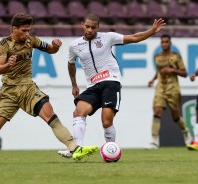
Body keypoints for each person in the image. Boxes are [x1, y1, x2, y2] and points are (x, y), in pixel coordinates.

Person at [0, 13, 98, 164]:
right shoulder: (4, 44)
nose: (27, 34)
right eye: (24, 30)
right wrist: (8, 65)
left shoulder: (31, 40)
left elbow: (50, 49)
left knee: (51, 115)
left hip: (28, 88)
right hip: (9, 92)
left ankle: (73, 147)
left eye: (28, 30)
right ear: (14, 28)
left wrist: (56, 46)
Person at [58, 13, 166, 158]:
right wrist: (74, 85)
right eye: (87, 26)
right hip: (92, 86)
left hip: (110, 82)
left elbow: (133, 38)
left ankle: (111, 152)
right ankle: (75, 150)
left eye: (93, 27)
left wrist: (151, 31)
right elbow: (71, 64)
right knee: (78, 112)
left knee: (106, 121)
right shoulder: (74, 46)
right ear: (82, 25)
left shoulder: (107, 37)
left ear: (98, 28)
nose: (90, 30)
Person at [147, 34, 192, 149]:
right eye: (163, 42)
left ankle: (185, 131)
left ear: (170, 43)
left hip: (173, 88)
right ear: (160, 43)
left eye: (167, 42)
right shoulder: (157, 57)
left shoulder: (176, 57)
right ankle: (154, 140)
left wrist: (172, 70)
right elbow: (159, 71)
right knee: (157, 111)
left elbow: (185, 73)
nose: (164, 44)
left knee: (175, 117)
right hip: (161, 87)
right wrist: (153, 80)